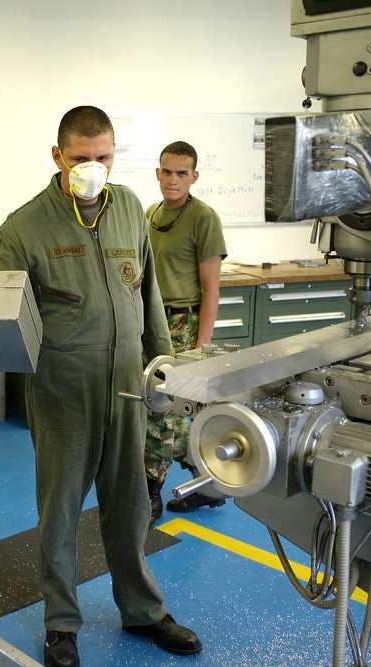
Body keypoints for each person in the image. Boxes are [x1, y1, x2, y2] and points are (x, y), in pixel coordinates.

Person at [0, 106, 202, 667]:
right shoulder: (26, 225)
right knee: (59, 513)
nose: (94, 169)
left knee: (130, 507)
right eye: (81, 159)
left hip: (128, 384)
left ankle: (144, 611)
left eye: (103, 157)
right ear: (57, 157)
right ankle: (61, 625)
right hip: (62, 390)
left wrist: (165, 363)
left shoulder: (128, 206)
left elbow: (146, 290)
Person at [144, 141, 228, 522]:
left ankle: (151, 493)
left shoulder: (204, 218)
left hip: (183, 324)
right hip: (152, 323)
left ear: (194, 177)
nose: (173, 180)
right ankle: (207, 483)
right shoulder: (150, 213)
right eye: (167, 171)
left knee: (159, 413)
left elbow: (212, 289)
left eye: (182, 173)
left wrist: (202, 348)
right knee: (170, 412)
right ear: (158, 172)